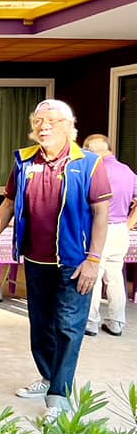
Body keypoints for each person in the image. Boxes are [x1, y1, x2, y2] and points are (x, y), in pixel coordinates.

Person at [0, 99, 110, 420]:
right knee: (40, 327)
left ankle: (59, 397)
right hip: (36, 261)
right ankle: (49, 377)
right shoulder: (24, 161)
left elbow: (101, 213)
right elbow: (9, 204)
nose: (43, 126)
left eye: (51, 121)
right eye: (38, 121)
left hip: (75, 262)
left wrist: (93, 259)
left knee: (68, 327)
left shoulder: (89, 163)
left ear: (69, 126)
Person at [81, 134, 137, 337]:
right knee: (115, 277)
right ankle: (116, 322)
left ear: (91, 151)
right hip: (120, 229)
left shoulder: (95, 170)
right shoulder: (127, 171)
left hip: (99, 229)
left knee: (93, 274)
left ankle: (90, 321)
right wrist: (128, 224)